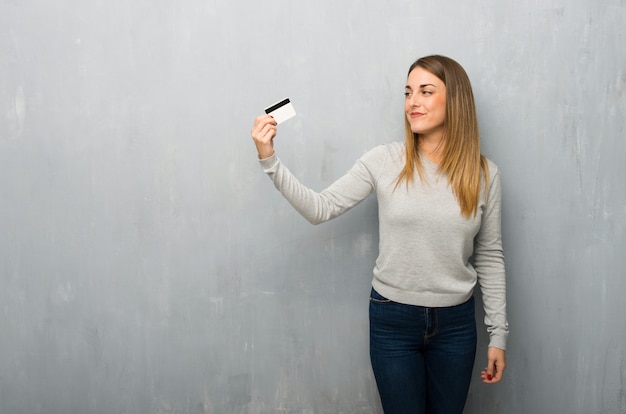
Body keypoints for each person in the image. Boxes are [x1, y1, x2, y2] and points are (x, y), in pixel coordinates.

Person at [250, 55, 508, 414]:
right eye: (407, 93)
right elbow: (319, 208)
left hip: (456, 326)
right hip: (393, 321)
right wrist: (270, 160)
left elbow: (490, 255)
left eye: (425, 91)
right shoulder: (384, 161)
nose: (412, 102)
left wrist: (499, 334)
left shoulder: (485, 175)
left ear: (456, 101)